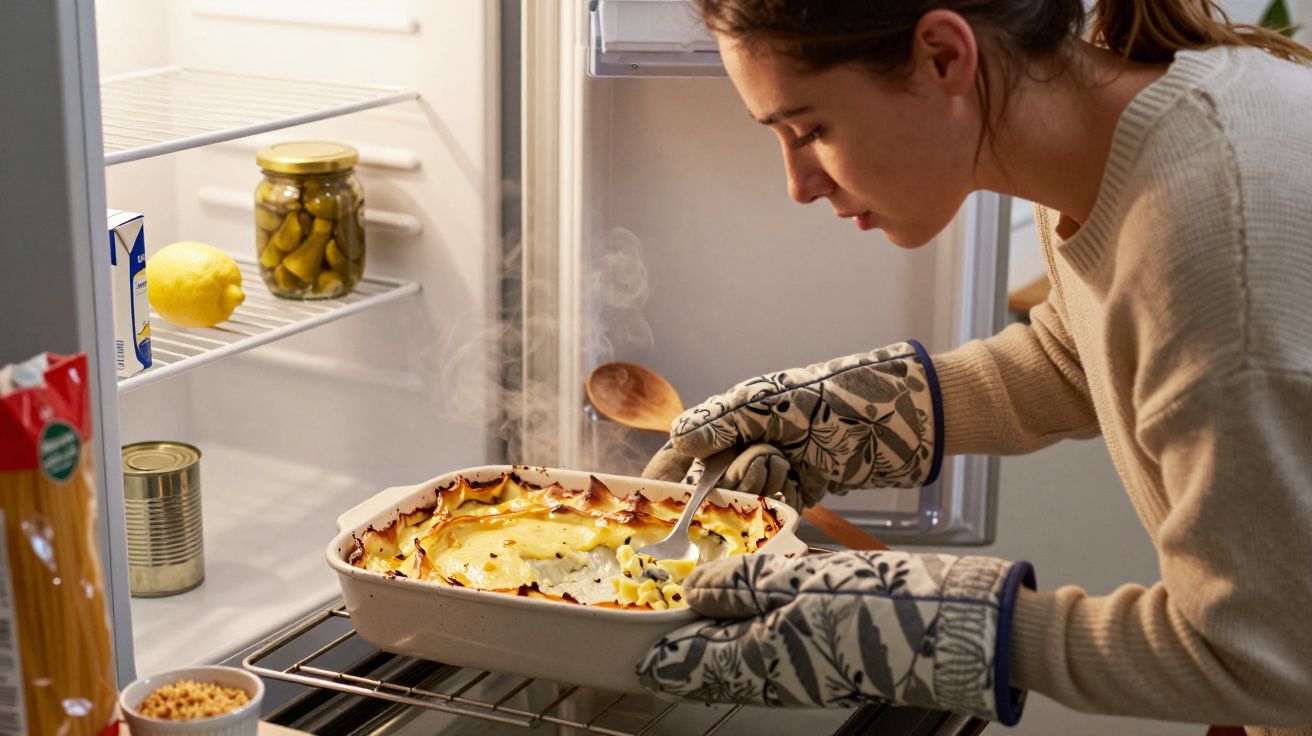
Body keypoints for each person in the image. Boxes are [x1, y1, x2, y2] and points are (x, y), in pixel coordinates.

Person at [634, 1, 1312, 734]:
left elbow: (1270, 663)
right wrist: (865, 415)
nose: (799, 184)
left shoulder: (1210, 240)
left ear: (943, 57)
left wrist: (950, 630)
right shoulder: (1122, 135)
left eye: (811, 130)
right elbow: (1079, 353)